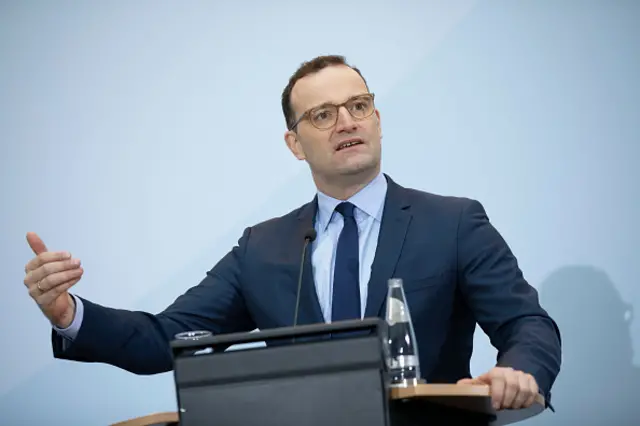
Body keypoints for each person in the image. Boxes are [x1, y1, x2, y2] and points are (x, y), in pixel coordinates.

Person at [22, 55, 561, 412]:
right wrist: (70, 315)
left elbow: (527, 323)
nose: (347, 122)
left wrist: (516, 371)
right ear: (295, 144)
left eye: (358, 106)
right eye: (323, 115)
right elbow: (164, 339)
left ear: (377, 119)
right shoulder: (264, 247)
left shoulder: (453, 222)